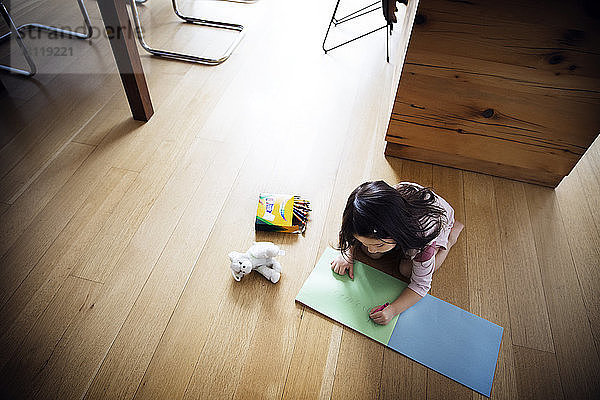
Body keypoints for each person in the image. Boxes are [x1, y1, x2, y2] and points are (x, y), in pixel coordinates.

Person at [331, 180, 464, 325]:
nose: (370, 248)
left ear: (396, 232)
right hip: (404, 214)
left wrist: (393, 310)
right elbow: (351, 231)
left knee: (406, 270)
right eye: (364, 242)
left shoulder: (423, 239)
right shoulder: (367, 216)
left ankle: (450, 240)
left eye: (378, 244)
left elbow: (421, 285)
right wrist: (347, 255)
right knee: (372, 254)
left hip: (439, 223)